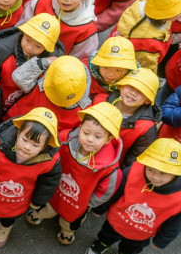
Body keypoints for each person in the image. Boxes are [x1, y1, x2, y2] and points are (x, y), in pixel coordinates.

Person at [84, 139, 181, 254]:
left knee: (131, 247)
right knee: (106, 234)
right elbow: (115, 190)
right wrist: (100, 208)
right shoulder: (135, 169)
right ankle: (102, 244)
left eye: (163, 173)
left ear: (176, 172)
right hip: (116, 220)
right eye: (150, 169)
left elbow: (176, 222)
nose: (155, 177)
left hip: (141, 233)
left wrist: (162, 240)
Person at [26, 102, 123, 245]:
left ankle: (67, 232)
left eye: (98, 137)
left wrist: (88, 203)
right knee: (49, 207)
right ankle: (40, 215)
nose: (89, 139)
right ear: (80, 127)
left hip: (78, 203)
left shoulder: (109, 168)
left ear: (108, 139)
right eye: (86, 133)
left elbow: (105, 191)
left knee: (70, 221)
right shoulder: (65, 140)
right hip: (56, 189)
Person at [0, 106, 62, 248]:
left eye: (35, 145)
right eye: (25, 139)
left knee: (10, 218)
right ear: (18, 132)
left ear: (44, 147)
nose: (27, 147)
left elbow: (48, 183)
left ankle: (4, 229)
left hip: (19, 200)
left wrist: (37, 201)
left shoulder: (50, 162)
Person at [112, 0, 181, 73]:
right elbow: (145, 69)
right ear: (166, 13)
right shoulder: (148, 43)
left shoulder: (146, 4)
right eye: (180, 9)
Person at [0, 13, 64, 110]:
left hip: (27, 107)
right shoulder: (3, 48)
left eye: (38, 46)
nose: (29, 48)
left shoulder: (54, 60)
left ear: (47, 48)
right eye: (28, 40)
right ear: (23, 33)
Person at [16, 0, 97, 59]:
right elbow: (19, 29)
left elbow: (78, 61)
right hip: (21, 53)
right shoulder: (41, 2)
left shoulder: (87, 28)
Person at [92, 68, 161, 167]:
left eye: (141, 91)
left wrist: (116, 173)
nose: (133, 93)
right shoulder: (99, 100)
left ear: (148, 100)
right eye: (131, 86)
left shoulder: (146, 128)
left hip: (110, 168)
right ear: (121, 86)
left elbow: (133, 162)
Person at [5, 54, 91, 132]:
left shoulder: (39, 80)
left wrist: (45, 62)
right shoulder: (83, 111)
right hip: (33, 136)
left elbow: (19, 77)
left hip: (13, 124)